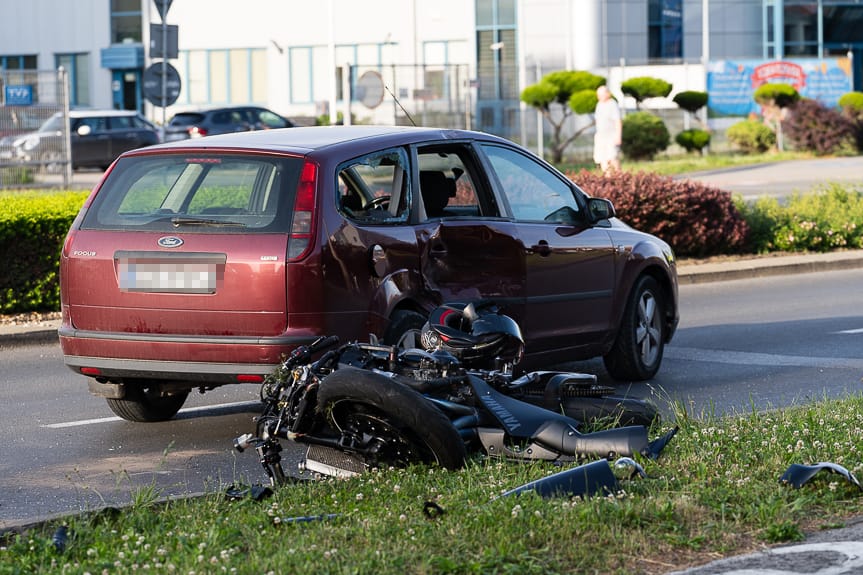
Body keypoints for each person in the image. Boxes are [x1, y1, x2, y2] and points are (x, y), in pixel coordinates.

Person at [593, 85, 622, 173]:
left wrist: (618, 136)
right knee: (602, 159)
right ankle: (607, 179)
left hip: (611, 136)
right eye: (598, 95)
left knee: (612, 158)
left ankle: (619, 177)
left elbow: (618, 121)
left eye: (601, 94)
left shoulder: (612, 104)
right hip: (600, 136)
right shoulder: (599, 105)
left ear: (608, 94)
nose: (599, 96)